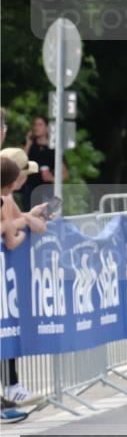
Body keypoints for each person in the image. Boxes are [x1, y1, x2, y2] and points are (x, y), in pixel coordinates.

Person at [1, 148, 49, 417]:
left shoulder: (6, 198)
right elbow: (10, 231)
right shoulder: (4, 199)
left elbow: (14, 221)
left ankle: (9, 394)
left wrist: (28, 218)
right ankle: (10, 388)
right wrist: (22, 225)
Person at [21, 115, 68, 208]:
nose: (36, 127)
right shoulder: (29, 145)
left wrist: (51, 178)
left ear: (47, 128)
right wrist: (28, 144)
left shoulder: (53, 149)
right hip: (29, 190)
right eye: (35, 125)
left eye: (40, 125)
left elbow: (65, 174)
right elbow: (20, 163)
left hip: (46, 190)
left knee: (46, 218)